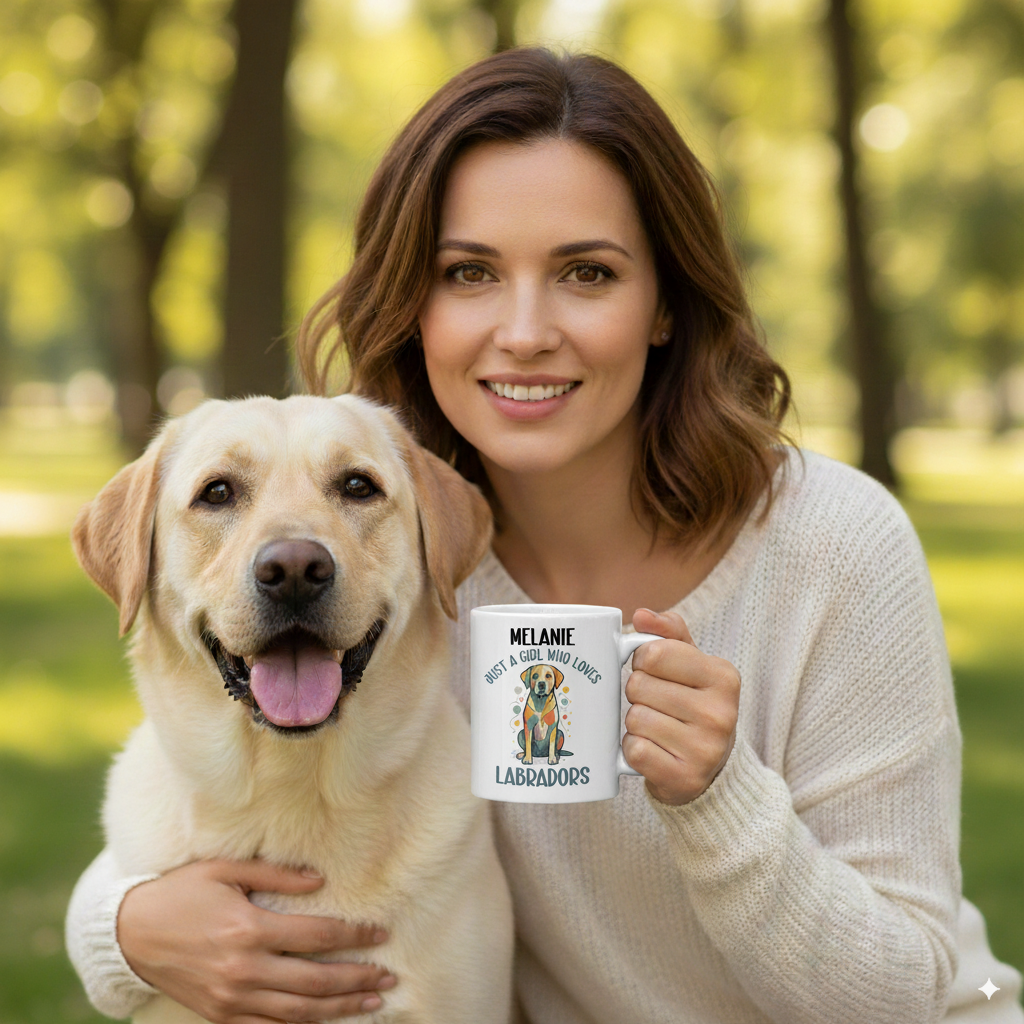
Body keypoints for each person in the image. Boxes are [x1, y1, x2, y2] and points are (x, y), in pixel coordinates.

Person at [66, 48, 1022, 1024]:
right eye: (469, 272)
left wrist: (718, 797)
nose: (524, 331)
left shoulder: (834, 547)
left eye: (586, 272)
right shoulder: (392, 551)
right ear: (416, 305)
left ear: (663, 305)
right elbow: (181, 798)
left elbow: (910, 993)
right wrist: (122, 929)